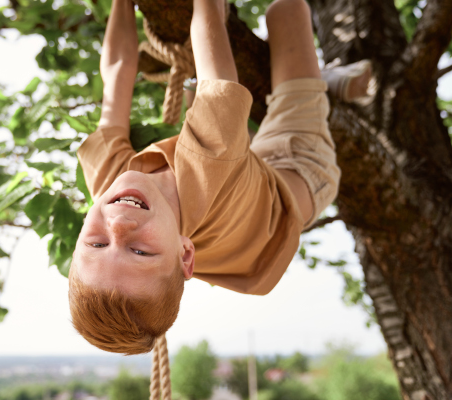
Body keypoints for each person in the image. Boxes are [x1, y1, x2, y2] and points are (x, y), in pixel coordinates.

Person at [69, 0, 361, 355]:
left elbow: (116, 69)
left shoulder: (107, 184)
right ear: (185, 254)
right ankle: (323, 80)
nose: (118, 225)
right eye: (140, 250)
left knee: (217, 113)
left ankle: (318, 79)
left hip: (242, 204)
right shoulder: (210, 161)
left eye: (96, 244)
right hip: (299, 167)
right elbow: (210, 25)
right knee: (286, 11)